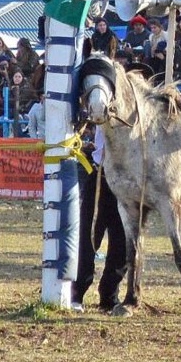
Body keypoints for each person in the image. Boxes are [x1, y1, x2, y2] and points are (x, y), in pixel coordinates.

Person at [72, 126, 127, 313]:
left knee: (123, 243)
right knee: (89, 236)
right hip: (101, 177)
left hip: (127, 180)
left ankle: (109, 297)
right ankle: (77, 292)